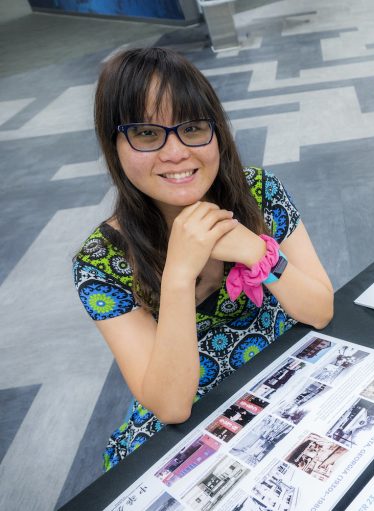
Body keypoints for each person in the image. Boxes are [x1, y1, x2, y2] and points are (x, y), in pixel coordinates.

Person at [72, 47, 334, 471]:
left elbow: (320, 311)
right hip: (191, 414)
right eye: (146, 133)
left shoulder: (260, 194)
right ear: (113, 142)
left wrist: (258, 253)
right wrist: (178, 274)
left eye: (192, 128)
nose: (176, 153)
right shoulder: (99, 263)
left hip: (283, 370)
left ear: (216, 133)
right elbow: (172, 405)